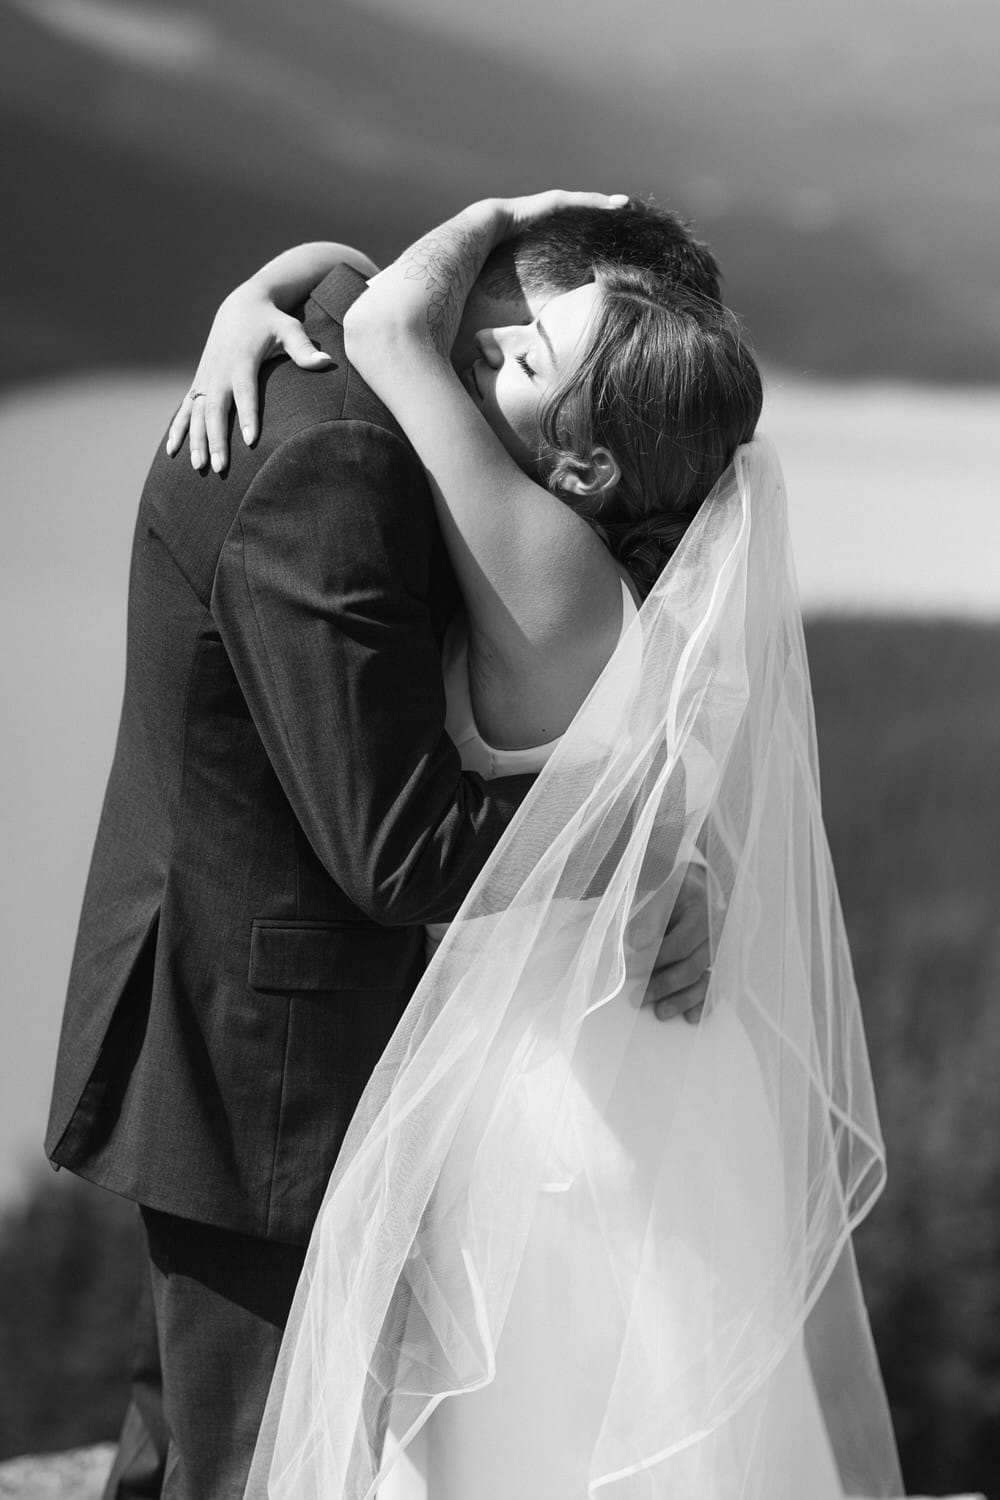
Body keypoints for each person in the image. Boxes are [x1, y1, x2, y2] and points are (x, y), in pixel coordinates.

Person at [175, 195, 907, 1500]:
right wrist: (281, 283)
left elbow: (396, 321)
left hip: (562, 1067)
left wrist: (494, 216)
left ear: (586, 468)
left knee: (554, 1409)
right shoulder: (629, 575)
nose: (488, 352)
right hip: (649, 1043)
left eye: (523, 362)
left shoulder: (550, 572)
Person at [45, 193, 718, 1500]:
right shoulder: (335, 458)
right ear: (490, 313)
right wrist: (626, 851)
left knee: (187, 1441)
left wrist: (283, 274)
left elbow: (354, 273)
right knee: (258, 1463)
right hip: (261, 1059)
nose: (559, 443)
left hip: (232, 1020)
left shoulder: (334, 347)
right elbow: (395, 849)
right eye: (531, 364)